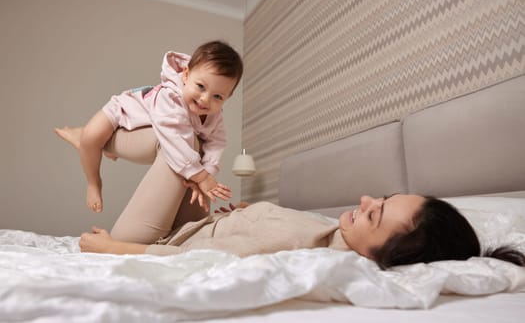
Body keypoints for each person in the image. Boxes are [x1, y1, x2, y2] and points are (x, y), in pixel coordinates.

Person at [55, 40, 243, 244]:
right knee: (92, 136)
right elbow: (174, 141)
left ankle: (98, 145)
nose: (205, 99)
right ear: (186, 76)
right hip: (123, 112)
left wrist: (210, 171)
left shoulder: (215, 117)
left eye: (217, 96)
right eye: (200, 87)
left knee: (193, 146)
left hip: (148, 130)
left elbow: (216, 144)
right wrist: (202, 177)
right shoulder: (171, 96)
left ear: (227, 98)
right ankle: (92, 178)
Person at [78, 194, 525, 269]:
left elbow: (199, 263)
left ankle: (92, 143)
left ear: (387, 257)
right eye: (381, 198)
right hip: (200, 221)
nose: (366, 200)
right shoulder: (332, 230)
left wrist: (110, 247)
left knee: (175, 144)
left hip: (163, 237)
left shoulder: (307, 249)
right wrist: (253, 212)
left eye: (375, 215)